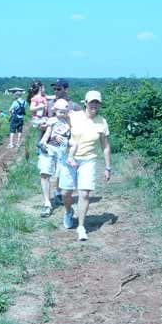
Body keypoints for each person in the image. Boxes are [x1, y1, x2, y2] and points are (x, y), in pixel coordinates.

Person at [59, 90, 111, 241]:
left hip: (88, 160)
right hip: (69, 159)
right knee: (65, 193)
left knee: (84, 194)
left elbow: (105, 147)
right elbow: (57, 120)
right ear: (85, 103)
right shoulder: (73, 116)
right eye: (91, 102)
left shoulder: (102, 122)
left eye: (97, 102)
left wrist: (108, 167)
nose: (94, 105)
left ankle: (81, 226)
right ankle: (68, 211)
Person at [36, 99, 70, 217]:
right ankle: (47, 202)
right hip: (50, 148)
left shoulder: (68, 121)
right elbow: (48, 132)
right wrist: (43, 142)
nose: (62, 114)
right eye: (60, 111)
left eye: (64, 112)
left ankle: (57, 193)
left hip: (62, 150)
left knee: (60, 173)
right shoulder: (52, 120)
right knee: (45, 173)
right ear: (55, 111)